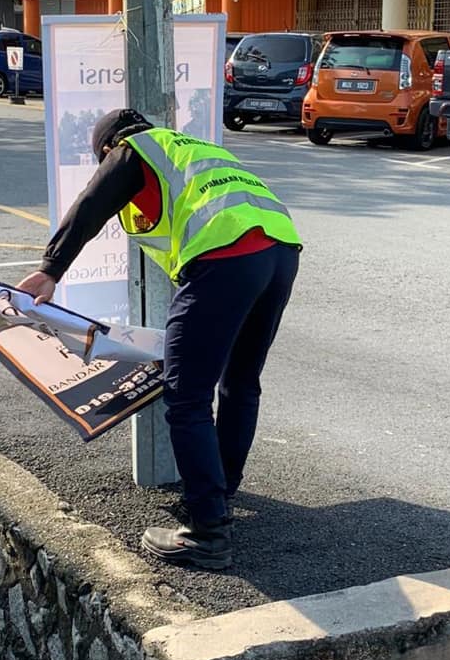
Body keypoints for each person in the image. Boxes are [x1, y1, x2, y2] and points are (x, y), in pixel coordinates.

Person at [19, 109, 301, 570]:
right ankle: (221, 494)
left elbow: (91, 204)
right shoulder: (192, 149)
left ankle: (207, 533)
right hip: (280, 253)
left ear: (108, 148)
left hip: (226, 258)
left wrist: (51, 269)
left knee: (186, 396)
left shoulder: (134, 149)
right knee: (240, 383)